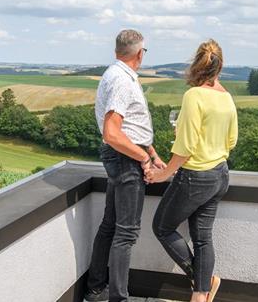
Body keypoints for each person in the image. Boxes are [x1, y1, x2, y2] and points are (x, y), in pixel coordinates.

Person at [144, 39, 237, 302]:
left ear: (196, 64)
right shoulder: (226, 97)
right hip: (220, 174)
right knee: (203, 238)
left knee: (162, 227)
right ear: (220, 66)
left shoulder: (194, 96)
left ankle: (202, 281)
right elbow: (231, 141)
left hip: (196, 177)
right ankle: (201, 294)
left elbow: (184, 149)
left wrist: (162, 174)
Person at [85, 29, 167, 302]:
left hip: (124, 155)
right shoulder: (122, 80)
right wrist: (143, 158)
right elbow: (112, 132)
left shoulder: (114, 74)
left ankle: (96, 288)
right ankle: (118, 298)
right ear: (140, 53)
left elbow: (131, 127)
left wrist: (152, 153)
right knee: (126, 232)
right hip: (126, 159)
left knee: (110, 225)